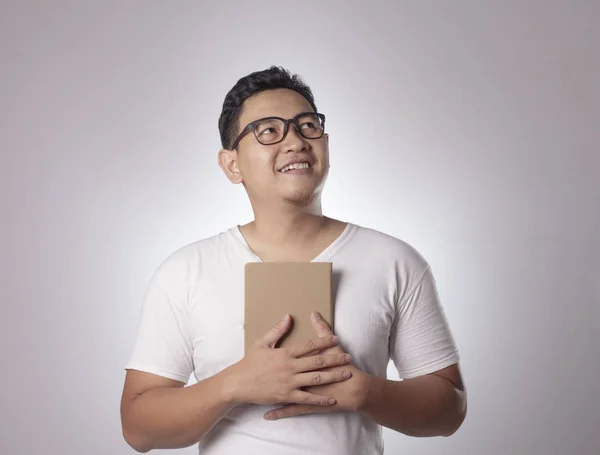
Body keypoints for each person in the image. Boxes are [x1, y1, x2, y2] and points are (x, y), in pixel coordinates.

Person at [120, 66, 467, 454]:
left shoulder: (395, 261)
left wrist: (365, 391)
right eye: (269, 130)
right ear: (232, 164)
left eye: (306, 125)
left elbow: (449, 409)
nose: (296, 141)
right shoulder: (185, 271)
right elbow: (139, 428)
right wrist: (233, 384)